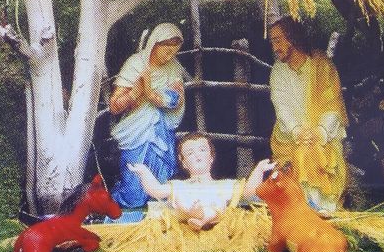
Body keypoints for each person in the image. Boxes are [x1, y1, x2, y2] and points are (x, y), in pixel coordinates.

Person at [268, 16, 348, 214]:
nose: (274, 47)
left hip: (324, 134)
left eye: (277, 40)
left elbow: (332, 104)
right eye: (272, 42)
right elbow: (281, 105)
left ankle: (322, 208)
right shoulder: (278, 70)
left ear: (292, 38)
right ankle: (302, 209)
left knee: (313, 152)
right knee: (300, 154)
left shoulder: (322, 65)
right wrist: (297, 131)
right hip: (289, 136)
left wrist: (320, 131)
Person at [129, 132, 276, 230]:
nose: (197, 155)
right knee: (180, 199)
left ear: (211, 157)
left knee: (218, 201)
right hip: (186, 213)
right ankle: (194, 212)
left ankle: (202, 218)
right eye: (190, 153)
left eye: (202, 150)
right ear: (184, 162)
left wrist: (259, 170)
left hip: (213, 216)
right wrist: (143, 172)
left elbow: (248, 192)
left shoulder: (223, 185)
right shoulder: (179, 186)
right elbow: (156, 191)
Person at [109, 23, 185, 208]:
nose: (170, 56)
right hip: (136, 132)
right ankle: (123, 203)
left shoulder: (173, 68)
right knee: (133, 190)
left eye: (174, 52)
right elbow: (115, 107)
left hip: (161, 130)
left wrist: (153, 95)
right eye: (167, 51)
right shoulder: (136, 64)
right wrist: (135, 93)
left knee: (161, 182)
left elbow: (177, 98)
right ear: (154, 44)